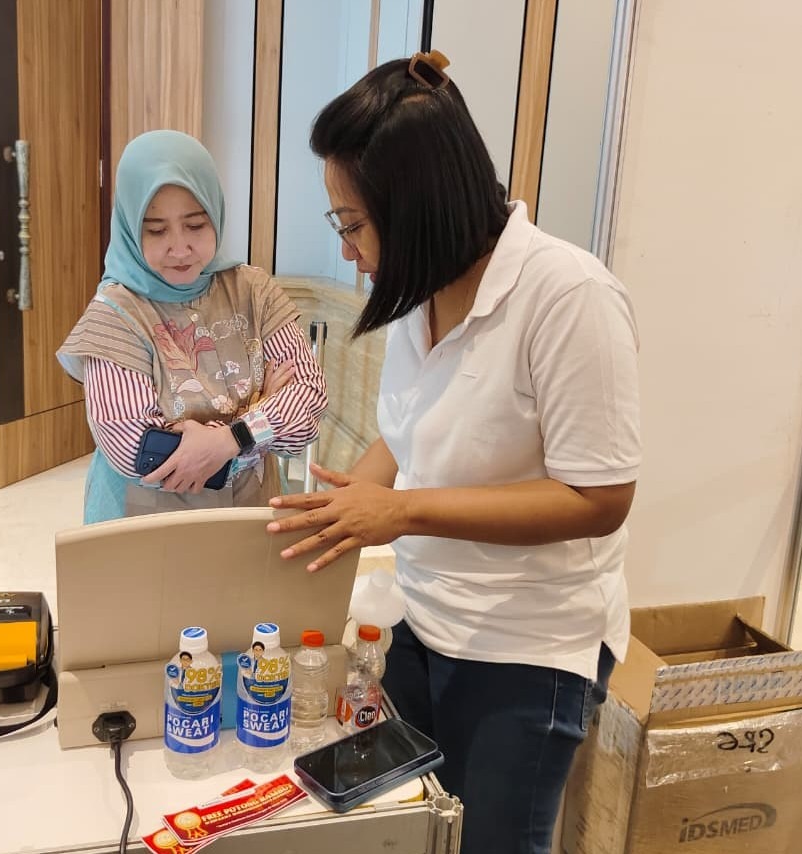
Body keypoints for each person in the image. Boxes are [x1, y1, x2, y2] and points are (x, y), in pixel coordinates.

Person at [266, 52, 640, 854]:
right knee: (407, 826)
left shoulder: (569, 298)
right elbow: (406, 435)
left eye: (353, 224)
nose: (348, 250)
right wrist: (340, 510)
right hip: (425, 616)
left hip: (528, 645)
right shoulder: (421, 289)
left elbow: (598, 498)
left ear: (417, 205)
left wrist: (399, 512)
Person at [58, 130, 327, 523]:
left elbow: (308, 404)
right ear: (131, 228)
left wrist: (230, 439)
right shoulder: (115, 314)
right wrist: (258, 421)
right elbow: (135, 450)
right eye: (156, 230)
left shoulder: (254, 291)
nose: (180, 248)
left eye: (196, 225)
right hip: (145, 526)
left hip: (250, 514)